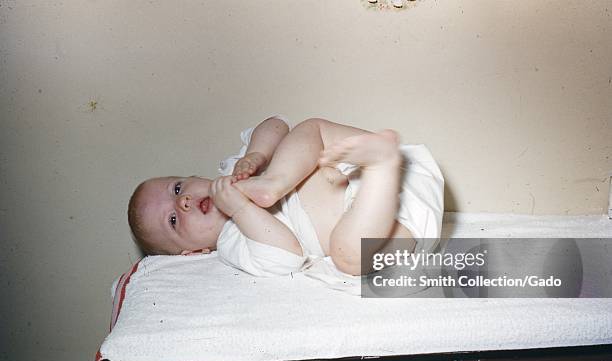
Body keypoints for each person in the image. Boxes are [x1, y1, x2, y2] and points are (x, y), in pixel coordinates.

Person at [128, 116, 444, 276]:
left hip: (363, 173)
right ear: (193, 252)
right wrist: (240, 208)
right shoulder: (232, 242)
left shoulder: (236, 168)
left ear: (194, 177)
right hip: (384, 226)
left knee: (311, 127)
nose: (182, 203)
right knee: (346, 255)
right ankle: (382, 164)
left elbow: (277, 123)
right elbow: (287, 256)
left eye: (178, 189)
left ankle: (278, 181)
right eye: (173, 219)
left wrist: (255, 155)